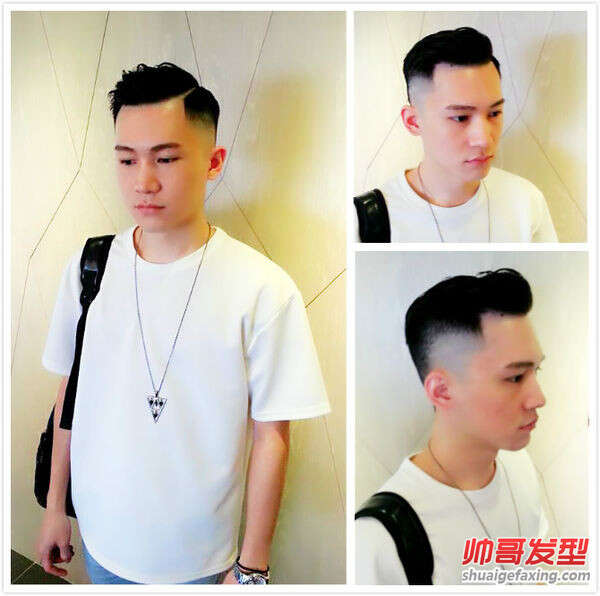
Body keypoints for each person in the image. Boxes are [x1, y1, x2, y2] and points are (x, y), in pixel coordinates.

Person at [35, 62, 330, 585]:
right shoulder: (90, 266)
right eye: (126, 160)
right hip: (100, 543)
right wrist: (56, 506)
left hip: (198, 561)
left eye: (166, 158)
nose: (143, 181)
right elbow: (69, 393)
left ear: (213, 162)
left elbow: (272, 437)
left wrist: (252, 567)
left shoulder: (263, 288)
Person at [356, 269, 549, 584]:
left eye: (536, 371)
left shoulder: (519, 465)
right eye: (515, 377)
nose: (539, 398)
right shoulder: (380, 543)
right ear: (442, 391)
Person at [354, 27, 557, 243]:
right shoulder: (368, 220)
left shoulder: (525, 202)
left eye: (494, 113)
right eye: (461, 118)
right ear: (413, 121)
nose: (484, 139)